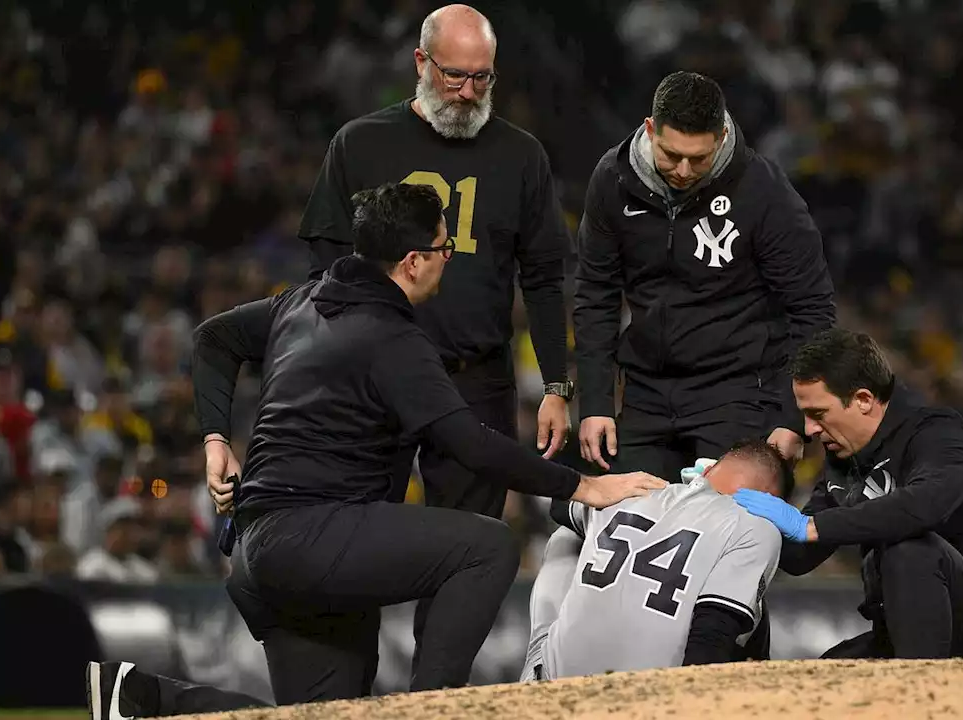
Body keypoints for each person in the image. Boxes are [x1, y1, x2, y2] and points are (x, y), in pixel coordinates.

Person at [84, 183, 665, 719]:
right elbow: (469, 444)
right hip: (313, 535)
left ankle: (145, 697)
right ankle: (429, 711)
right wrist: (583, 485)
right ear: (412, 262)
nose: (448, 258)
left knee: (326, 714)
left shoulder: (301, 303)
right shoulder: (391, 336)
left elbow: (213, 337)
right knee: (486, 546)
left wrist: (215, 439)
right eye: (444, 248)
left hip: (262, 550)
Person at [298, 3, 574, 521]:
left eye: (482, 78)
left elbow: (541, 279)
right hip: (372, 375)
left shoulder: (521, 155)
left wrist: (556, 387)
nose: (468, 92)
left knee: (469, 545)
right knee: (355, 537)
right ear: (421, 62)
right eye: (454, 76)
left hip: (476, 380)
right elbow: (324, 271)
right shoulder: (360, 142)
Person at [573, 70, 835, 483]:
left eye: (698, 158)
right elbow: (595, 294)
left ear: (721, 134)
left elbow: (813, 308)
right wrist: (595, 403)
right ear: (650, 129)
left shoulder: (763, 190)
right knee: (617, 516)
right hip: (646, 391)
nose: (682, 169)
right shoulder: (612, 179)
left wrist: (792, 415)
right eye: (671, 154)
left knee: (726, 528)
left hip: (737, 392)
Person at [733, 329, 963, 659]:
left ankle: (924, 698)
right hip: (899, 630)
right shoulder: (845, 459)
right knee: (820, 678)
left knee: (908, 546)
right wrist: (743, 495)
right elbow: (798, 557)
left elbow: (923, 506)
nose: (809, 430)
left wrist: (810, 526)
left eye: (818, 414)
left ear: (863, 400)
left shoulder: (938, 432)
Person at [522, 440, 788, 681]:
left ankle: (533, 679)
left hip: (555, 688)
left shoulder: (635, 488)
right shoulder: (757, 525)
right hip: (649, 700)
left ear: (705, 472)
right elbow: (711, 637)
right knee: (749, 602)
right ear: (773, 504)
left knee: (566, 535)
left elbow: (559, 507)